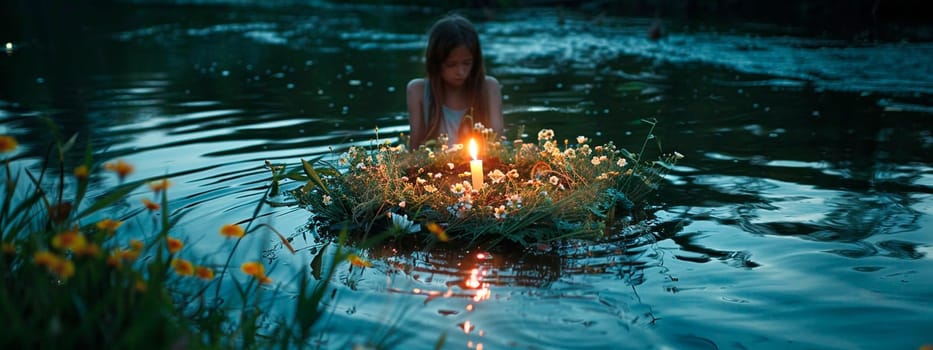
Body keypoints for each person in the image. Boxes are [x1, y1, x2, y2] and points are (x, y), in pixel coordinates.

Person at [406, 14, 504, 150]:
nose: (460, 72)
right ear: (436, 62)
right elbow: (414, 151)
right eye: (451, 64)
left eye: (467, 63)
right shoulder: (418, 91)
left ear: (475, 61)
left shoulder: (489, 87)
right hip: (435, 169)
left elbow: (498, 143)